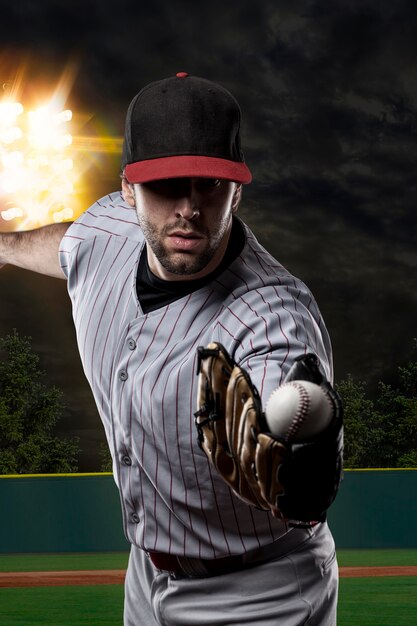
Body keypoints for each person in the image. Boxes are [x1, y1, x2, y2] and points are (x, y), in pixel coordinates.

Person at [0, 72, 340, 625]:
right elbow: (66, 245)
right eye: (166, 185)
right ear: (127, 191)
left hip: (260, 593)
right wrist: (5, 247)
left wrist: (292, 448)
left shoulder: (272, 317)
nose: (188, 207)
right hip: (145, 579)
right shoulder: (105, 231)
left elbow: (289, 387)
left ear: (238, 189)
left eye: (209, 184)